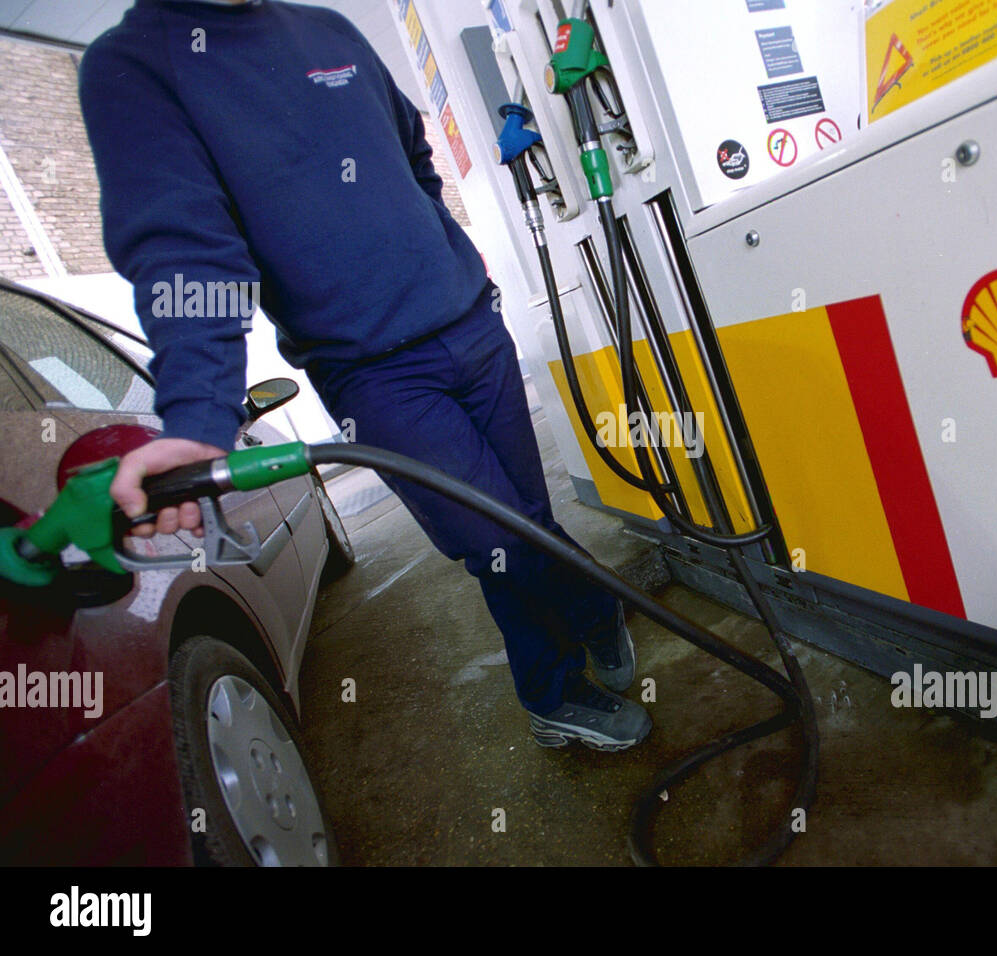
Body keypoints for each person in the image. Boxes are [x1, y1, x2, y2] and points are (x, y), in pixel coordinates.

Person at [79, 0, 650, 750]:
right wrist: (197, 417)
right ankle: (571, 653)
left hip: (473, 323)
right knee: (495, 538)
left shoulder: (327, 29)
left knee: (524, 524)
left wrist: (434, 248)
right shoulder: (136, 65)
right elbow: (188, 255)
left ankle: (568, 657)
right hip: (375, 374)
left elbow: (413, 150)